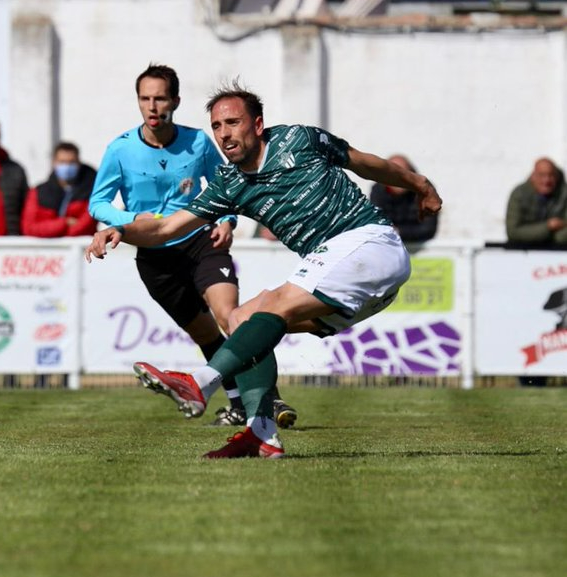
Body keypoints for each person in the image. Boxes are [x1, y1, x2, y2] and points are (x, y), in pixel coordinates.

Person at [85, 83, 443, 458]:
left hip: (369, 243)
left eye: (233, 122)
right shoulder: (230, 184)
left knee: (272, 305)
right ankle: (262, 434)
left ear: (257, 125)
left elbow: (363, 162)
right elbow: (164, 228)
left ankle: (201, 382)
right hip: (358, 281)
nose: (224, 134)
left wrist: (420, 185)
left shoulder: (299, 139)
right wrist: (121, 229)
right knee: (241, 318)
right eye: (217, 126)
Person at [87, 64, 297, 428]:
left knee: (230, 315)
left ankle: (268, 398)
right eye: (145, 99)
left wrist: (227, 221)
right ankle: (235, 403)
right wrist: (128, 223)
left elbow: (226, 181)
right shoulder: (120, 149)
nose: (153, 107)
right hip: (155, 256)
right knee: (204, 334)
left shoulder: (198, 142)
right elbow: (98, 203)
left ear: (176, 101)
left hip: (200, 241)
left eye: (160, 98)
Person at [21, 142, 98, 237]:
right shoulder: (38, 192)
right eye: (62, 162)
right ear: (54, 163)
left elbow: (85, 226)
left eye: (71, 162)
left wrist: (52, 232)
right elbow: (29, 228)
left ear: (79, 163)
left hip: (82, 249)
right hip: (47, 251)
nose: (67, 166)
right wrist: (64, 223)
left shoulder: (93, 191)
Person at [369, 154, 438, 242]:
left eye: (402, 173)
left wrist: (397, 232)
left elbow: (428, 229)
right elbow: (376, 225)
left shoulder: (424, 190)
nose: (398, 178)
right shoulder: (378, 190)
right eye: (391, 173)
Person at [505, 157, 567, 247]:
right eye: (542, 175)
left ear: (557, 177)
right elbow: (513, 232)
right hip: (522, 254)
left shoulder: (564, 194)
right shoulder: (519, 195)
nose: (546, 180)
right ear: (533, 176)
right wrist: (548, 227)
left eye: (551, 175)